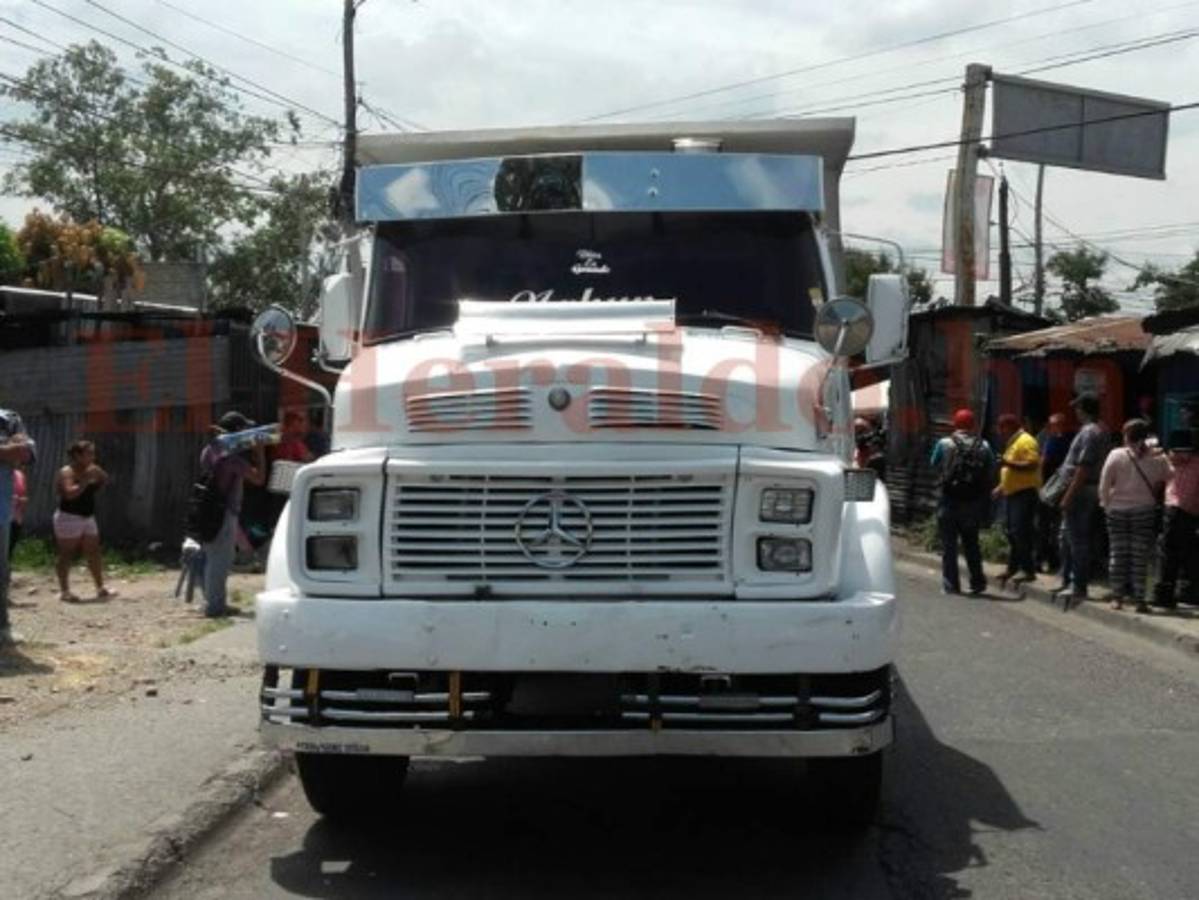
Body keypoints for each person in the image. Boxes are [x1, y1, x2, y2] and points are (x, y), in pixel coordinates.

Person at [199, 411, 266, 618]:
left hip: (207, 509)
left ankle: (213, 601)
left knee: (213, 557)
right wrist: (260, 453)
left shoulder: (209, 450)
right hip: (224, 512)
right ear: (236, 433)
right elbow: (259, 479)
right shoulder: (231, 458)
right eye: (244, 431)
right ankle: (215, 607)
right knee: (221, 559)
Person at [1099, 419, 1169, 612]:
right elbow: (1170, 476)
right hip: (1144, 510)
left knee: (1118, 554)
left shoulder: (1115, 455)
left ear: (1127, 436)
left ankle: (1117, 597)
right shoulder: (1157, 457)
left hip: (1117, 511)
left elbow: (1104, 484)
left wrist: (1106, 505)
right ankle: (1140, 599)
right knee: (1140, 555)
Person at [930, 408, 995, 595]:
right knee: (971, 543)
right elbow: (991, 470)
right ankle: (977, 583)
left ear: (955, 423)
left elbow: (933, 463)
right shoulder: (984, 445)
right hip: (972, 502)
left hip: (948, 499)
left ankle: (951, 585)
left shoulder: (944, 443)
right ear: (973, 424)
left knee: (949, 545)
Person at [1055, 394, 1108, 607]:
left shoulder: (1089, 432)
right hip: (1087, 488)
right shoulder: (1101, 429)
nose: (1075, 412)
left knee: (1077, 539)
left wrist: (1068, 496)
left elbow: (1083, 468)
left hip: (1081, 490)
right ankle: (1069, 579)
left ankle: (1078, 585)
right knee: (1069, 536)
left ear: (1084, 409)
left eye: (1077, 408)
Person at [54, 440, 116, 603]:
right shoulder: (67, 472)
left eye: (93, 453)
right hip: (69, 517)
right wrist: (84, 481)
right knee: (67, 554)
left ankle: (100, 588)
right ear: (77, 455)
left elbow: (104, 480)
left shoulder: (91, 469)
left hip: (88, 516)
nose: (92, 457)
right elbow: (69, 494)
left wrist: (99, 476)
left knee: (94, 552)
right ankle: (65, 591)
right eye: (89, 453)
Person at [0, 408, 36, 646]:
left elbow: (27, 452)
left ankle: (2, 626)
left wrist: (13, 450)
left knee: (0, 571)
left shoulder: (8, 418)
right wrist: (6, 450)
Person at [993, 413, 1041, 587]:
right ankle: (1012, 568)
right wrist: (1000, 487)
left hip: (1024, 494)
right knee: (1012, 533)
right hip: (1012, 494)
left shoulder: (1026, 441)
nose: (999, 432)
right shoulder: (1014, 441)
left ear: (1008, 426)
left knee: (1020, 533)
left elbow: (1032, 464)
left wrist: (1007, 463)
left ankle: (1028, 570)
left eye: (1000, 427)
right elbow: (1011, 469)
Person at [1153, 429, 1199, 610]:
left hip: (1176, 512)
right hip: (1185, 513)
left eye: (1184, 451)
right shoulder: (1186, 462)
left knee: (1170, 556)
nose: (1181, 455)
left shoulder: (1168, 461)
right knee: (1188, 555)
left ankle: (1166, 595)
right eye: (1178, 451)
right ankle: (1187, 592)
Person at [1036, 413, 1071, 573]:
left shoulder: (1053, 441)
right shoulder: (1070, 441)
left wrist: (1039, 486)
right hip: (1062, 489)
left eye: (1053, 425)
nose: (1050, 429)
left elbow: (1043, 463)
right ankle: (1052, 561)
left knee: (1046, 526)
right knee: (1054, 528)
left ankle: (1042, 560)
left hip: (1051, 489)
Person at [9, 465, 26, 557]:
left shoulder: (20, 475)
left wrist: (22, 500)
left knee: (9, 546)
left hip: (15, 517)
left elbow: (22, 493)